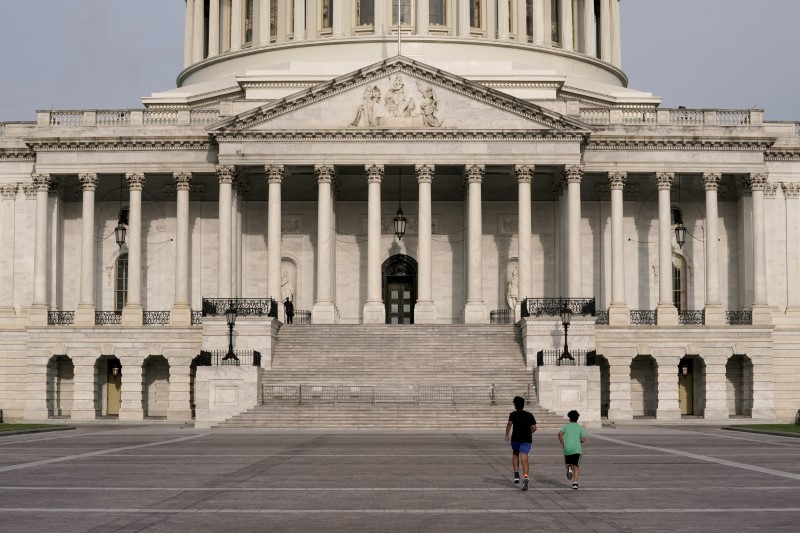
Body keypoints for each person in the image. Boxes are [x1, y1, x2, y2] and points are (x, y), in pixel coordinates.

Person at [504, 395, 537, 491]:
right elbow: (534, 428)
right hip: (526, 439)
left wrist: (507, 435)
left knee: (515, 454)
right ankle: (526, 477)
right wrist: (528, 433)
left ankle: (516, 474)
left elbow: (509, 424)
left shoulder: (513, 414)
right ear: (523, 405)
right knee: (524, 457)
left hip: (516, 439)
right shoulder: (529, 415)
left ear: (515, 405)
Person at [558, 410, 586, 490]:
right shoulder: (580, 428)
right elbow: (583, 440)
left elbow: (559, 433)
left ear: (569, 418)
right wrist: (579, 440)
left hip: (567, 448)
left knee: (568, 464)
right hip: (577, 449)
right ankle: (575, 483)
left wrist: (562, 443)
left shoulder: (566, 427)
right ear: (577, 418)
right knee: (576, 466)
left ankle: (569, 468)